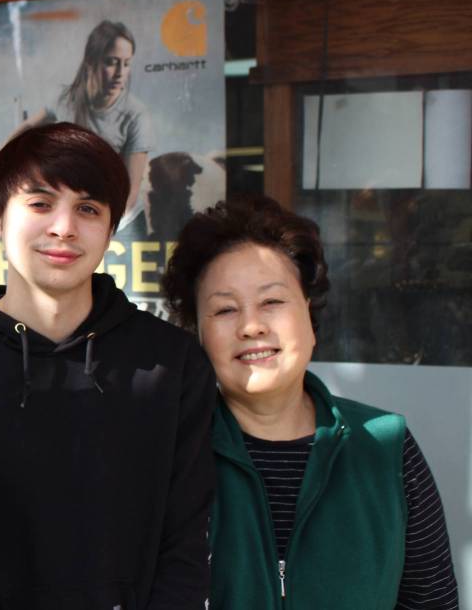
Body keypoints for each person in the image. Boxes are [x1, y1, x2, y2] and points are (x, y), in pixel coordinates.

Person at [0, 122, 216, 608]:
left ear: (111, 227)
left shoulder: (169, 363)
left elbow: (186, 545)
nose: (63, 228)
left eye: (87, 208)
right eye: (41, 204)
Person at [162, 195, 459, 609]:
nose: (251, 326)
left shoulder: (387, 448)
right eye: (225, 309)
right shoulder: (172, 454)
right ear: (198, 334)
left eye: (272, 302)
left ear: (310, 313)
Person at [16, 20, 156, 222]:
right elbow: (26, 129)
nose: (119, 73)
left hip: (118, 223)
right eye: (111, 62)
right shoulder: (66, 99)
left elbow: (130, 196)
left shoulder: (136, 115)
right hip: (65, 216)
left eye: (126, 64)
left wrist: (93, 226)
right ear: (91, 62)